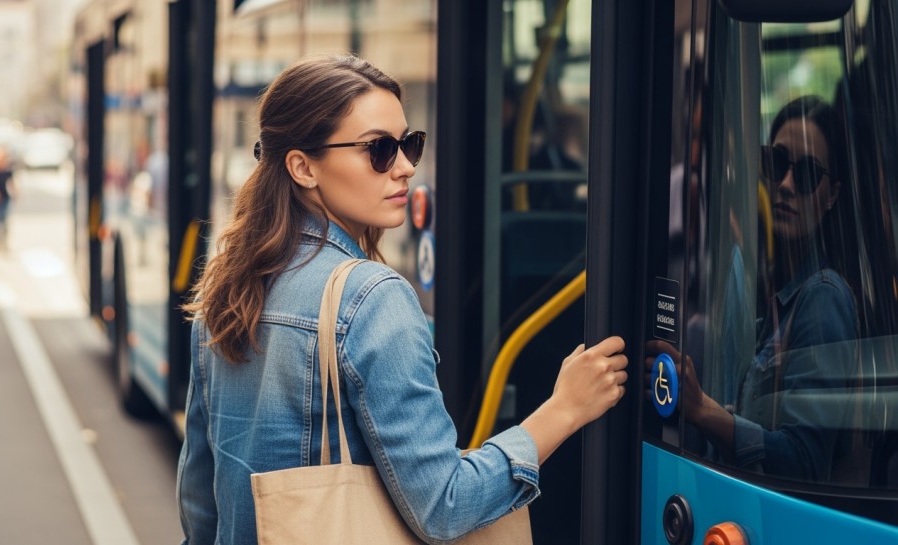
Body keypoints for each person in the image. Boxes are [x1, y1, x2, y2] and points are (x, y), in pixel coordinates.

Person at [177, 55, 629, 545]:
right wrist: (564, 409)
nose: (407, 167)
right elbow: (443, 506)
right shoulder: (372, 298)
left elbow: (202, 503)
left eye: (410, 144)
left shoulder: (229, 287)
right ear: (303, 167)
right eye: (380, 150)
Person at [647, 95, 859, 483]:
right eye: (777, 164)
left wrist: (703, 410)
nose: (787, 185)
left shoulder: (823, 297)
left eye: (808, 173)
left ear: (832, 196)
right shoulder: (766, 290)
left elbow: (805, 463)